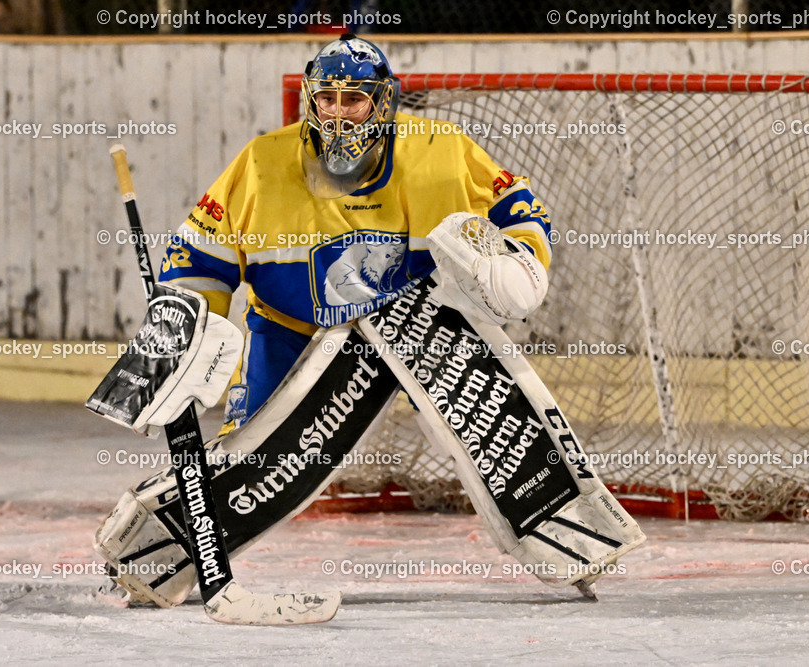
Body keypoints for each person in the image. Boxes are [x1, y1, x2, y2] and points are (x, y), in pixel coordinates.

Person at [158, 34, 552, 435]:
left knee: (487, 433)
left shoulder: (441, 151)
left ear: (382, 101)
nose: (337, 114)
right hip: (291, 328)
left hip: (419, 325)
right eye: (327, 99)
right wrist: (179, 341)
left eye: (353, 100)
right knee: (252, 450)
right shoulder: (261, 162)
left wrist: (521, 259)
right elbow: (196, 258)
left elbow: (517, 205)